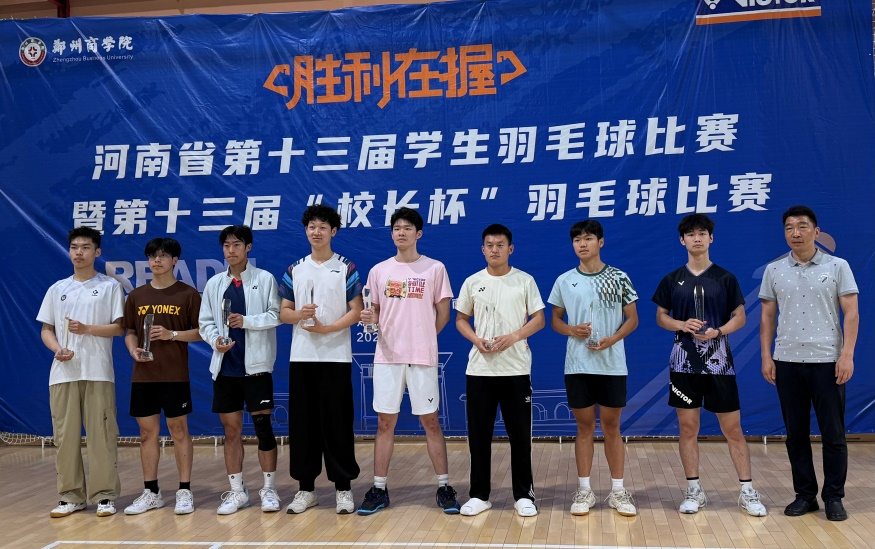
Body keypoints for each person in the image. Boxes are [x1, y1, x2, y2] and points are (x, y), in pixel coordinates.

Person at [652, 214, 767, 517]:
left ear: (711, 238)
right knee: (688, 428)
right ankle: (693, 490)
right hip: (683, 365)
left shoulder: (725, 278)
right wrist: (681, 324)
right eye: (691, 234)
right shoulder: (672, 279)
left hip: (720, 365)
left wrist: (719, 332)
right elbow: (661, 316)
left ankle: (747, 491)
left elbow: (740, 317)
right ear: (682, 240)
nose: (697, 238)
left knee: (733, 429)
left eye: (702, 233)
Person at [357, 207, 460, 515]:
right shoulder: (379, 271)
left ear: (419, 233)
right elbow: (374, 312)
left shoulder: (435, 268)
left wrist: (423, 338)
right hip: (387, 356)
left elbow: (443, 313)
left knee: (431, 421)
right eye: (396, 228)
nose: (401, 232)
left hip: (422, 357)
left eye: (407, 228)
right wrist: (369, 318)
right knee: (385, 422)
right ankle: (379, 488)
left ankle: (444, 486)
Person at [759, 205, 858, 522]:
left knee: (833, 434)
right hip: (787, 361)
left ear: (816, 231)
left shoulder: (838, 266)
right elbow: (767, 317)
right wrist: (766, 356)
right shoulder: (774, 270)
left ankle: (833, 497)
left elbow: (851, 313)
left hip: (827, 361)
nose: (795, 233)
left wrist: (847, 354)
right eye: (789, 227)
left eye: (802, 226)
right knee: (795, 434)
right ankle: (805, 495)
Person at [548, 220, 639, 517]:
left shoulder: (619, 277)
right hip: (578, 365)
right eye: (577, 240)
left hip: (612, 365)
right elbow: (555, 320)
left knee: (612, 427)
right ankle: (584, 490)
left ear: (601, 242)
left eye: (588, 238)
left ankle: (618, 491)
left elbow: (633, 319)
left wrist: (613, 338)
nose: (582, 244)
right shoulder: (564, 280)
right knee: (584, 427)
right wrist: (571, 330)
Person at [454, 224, 545, 517]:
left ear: (510, 249)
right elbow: (461, 319)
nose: (495, 250)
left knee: (520, 436)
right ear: (483, 249)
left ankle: (524, 495)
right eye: (490, 245)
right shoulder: (472, 282)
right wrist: (475, 339)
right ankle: (479, 495)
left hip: (516, 369)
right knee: (479, 436)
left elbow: (539, 319)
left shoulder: (524, 281)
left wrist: (514, 336)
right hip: (480, 370)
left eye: (500, 245)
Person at [278, 204, 363, 515]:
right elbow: (283, 312)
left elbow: (357, 310)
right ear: (306, 231)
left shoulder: (346, 268)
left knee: (337, 423)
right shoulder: (295, 269)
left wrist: (327, 328)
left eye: (323, 227)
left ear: (333, 231)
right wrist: (299, 314)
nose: (316, 232)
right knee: (303, 424)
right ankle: (306, 489)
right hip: (302, 357)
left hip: (335, 357)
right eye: (312, 226)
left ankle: (343, 488)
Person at [37, 227, 125, 518]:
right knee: (65, 438)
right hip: (63, 373)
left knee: (101, 436)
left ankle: (104, 496)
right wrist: (57, 349)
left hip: (98, 372)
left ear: (97, 252)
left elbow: (119, 328)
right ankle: (70, 496)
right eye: (74, 247)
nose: (79, 252)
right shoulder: (57, 288)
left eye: (85, 247)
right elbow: (46, 330)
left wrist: (87, 329)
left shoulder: (110, 286)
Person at [199, 226, 282, 514]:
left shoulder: (264, 279)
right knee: (231, 431)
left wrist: (246, 321)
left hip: (256, 369)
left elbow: (276, 315)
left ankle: (269, 489)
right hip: (226, 369)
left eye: (237, 244)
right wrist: (216, 340)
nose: (231, 250)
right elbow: (205, 322)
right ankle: (237, 492)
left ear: (248, 247)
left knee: (263, 429)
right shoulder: (214, 284)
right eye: (226, 245)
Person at [122, 237, 202, 515]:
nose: (157, 260)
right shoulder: (136, 296)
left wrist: (173, 334)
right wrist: (133, 349)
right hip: (143, 375)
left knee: (179, 431)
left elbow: (202, 332)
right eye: (152, 256)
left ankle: (184, 490)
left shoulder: (188, 294)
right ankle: (151, 492)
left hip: (174, 375)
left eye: (163, 255)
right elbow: (130, 332)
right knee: (147, 434)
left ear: (175, 260)